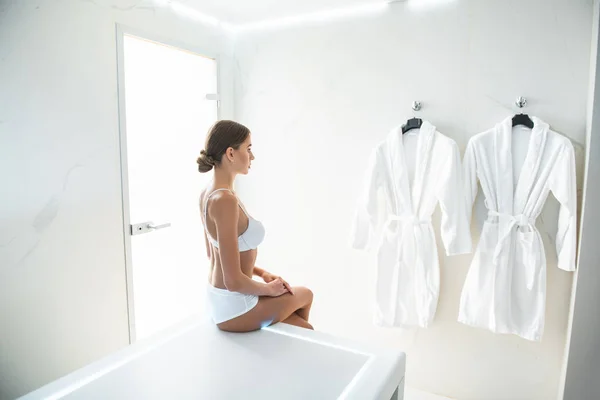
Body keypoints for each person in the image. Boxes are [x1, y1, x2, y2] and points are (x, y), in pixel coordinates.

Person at [197, 120, 314, 332]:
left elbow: (213, 253)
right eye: (248, 149)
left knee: (304, 326)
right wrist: (269, 289)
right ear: (231, 153)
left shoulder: (207, 194)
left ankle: (277, 346)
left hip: (222, 300)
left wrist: (262, 273)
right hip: (236, 306)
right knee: (306, 294)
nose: (252, 157)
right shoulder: (225, 200)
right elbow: (232, 280)